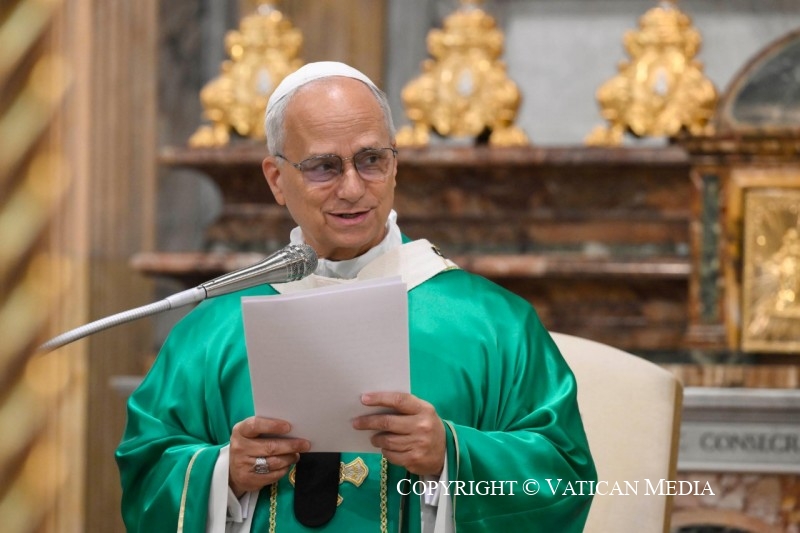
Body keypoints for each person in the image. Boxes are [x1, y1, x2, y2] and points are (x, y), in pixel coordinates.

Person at [116, 61, 596, 533]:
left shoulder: (493, 325)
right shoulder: (214, 330)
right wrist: (224, 472)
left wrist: (452, 455)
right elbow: (146, 473)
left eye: (371, 160)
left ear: (394, 166)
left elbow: (565, 476)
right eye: (323, 166)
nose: (352, 188)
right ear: (277, 179)